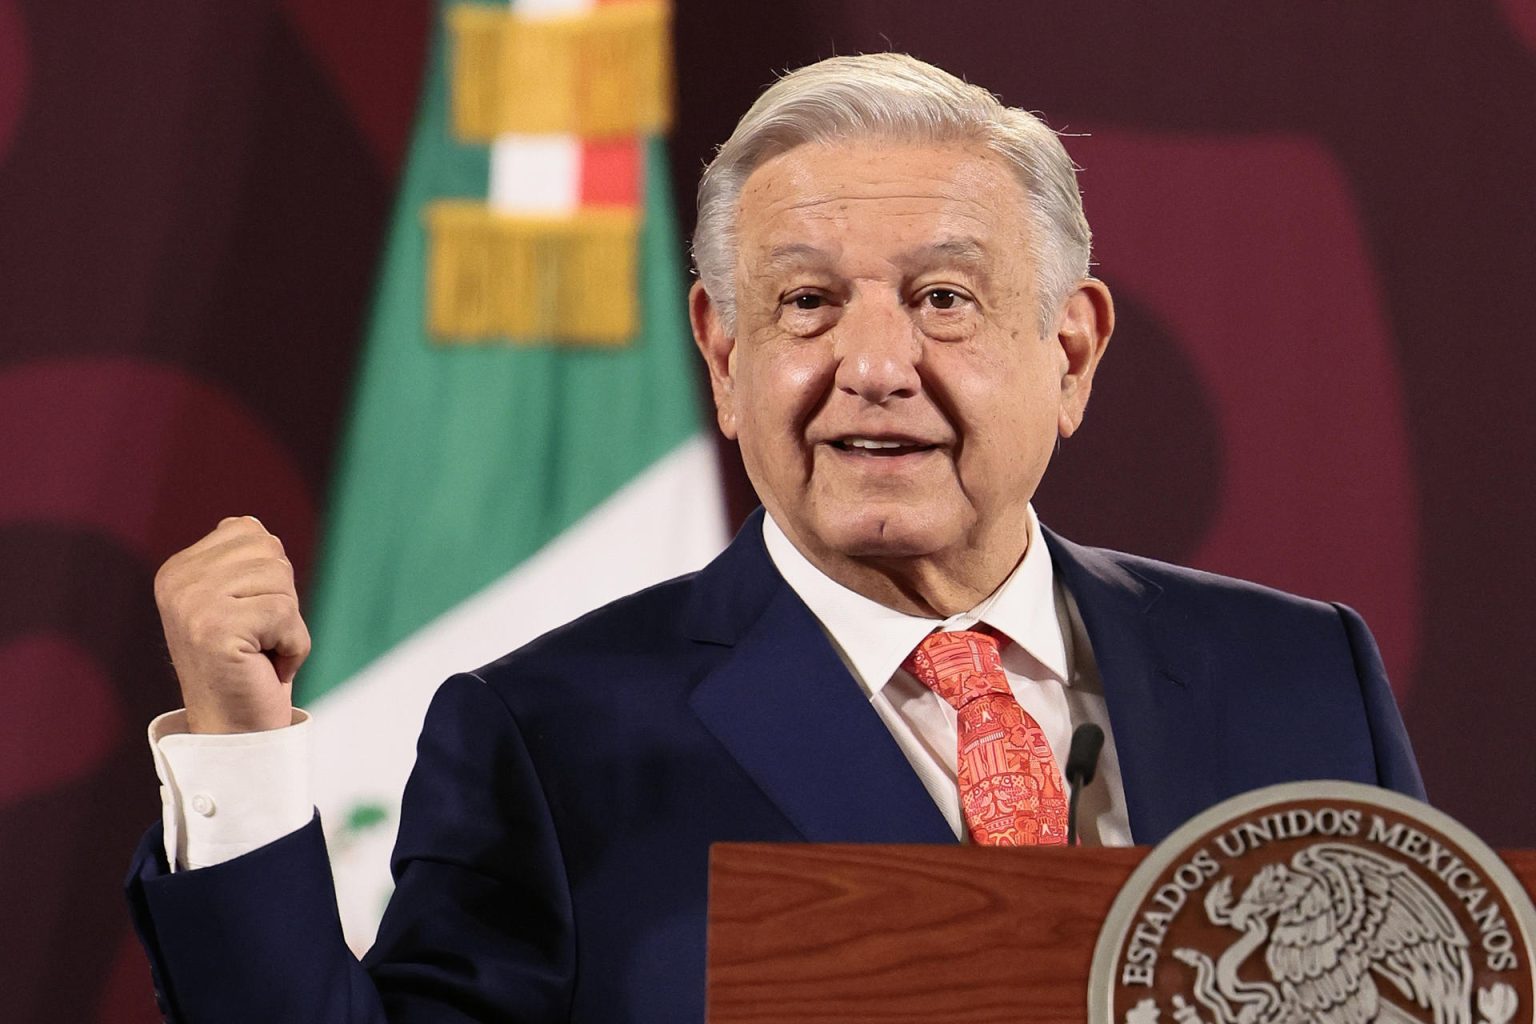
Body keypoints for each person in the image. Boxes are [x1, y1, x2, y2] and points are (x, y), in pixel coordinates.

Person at [125, 53, 1423, 1024]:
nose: (871, 364)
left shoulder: (1299, 679)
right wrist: (241, 759)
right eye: (807, 303)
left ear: (1071, 351)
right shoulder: (552, 739)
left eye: (943, 298)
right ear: (725, 355)